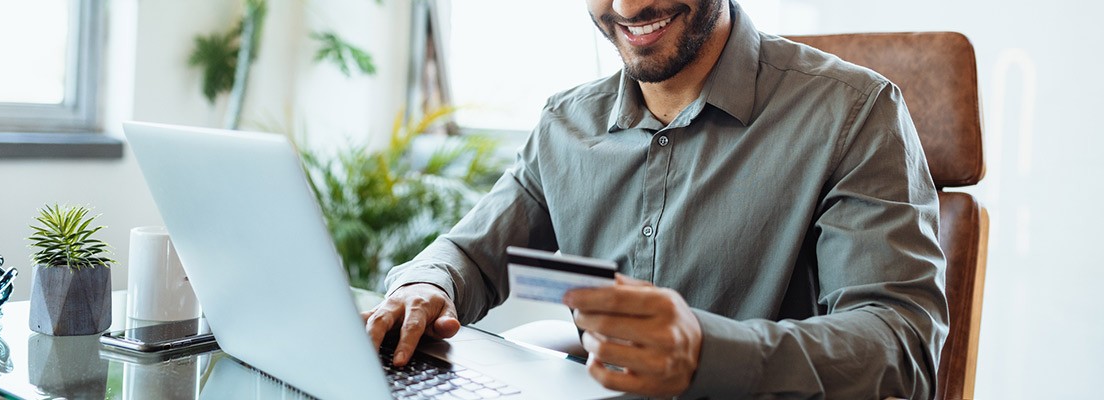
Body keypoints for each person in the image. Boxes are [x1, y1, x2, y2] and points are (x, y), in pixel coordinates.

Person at [363, 0, 948, 398]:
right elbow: (470, 254)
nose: (626, 6)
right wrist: (426, 285)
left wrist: (706, 352)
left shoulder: (854, 112)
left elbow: (901, 340)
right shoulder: (566, 124)